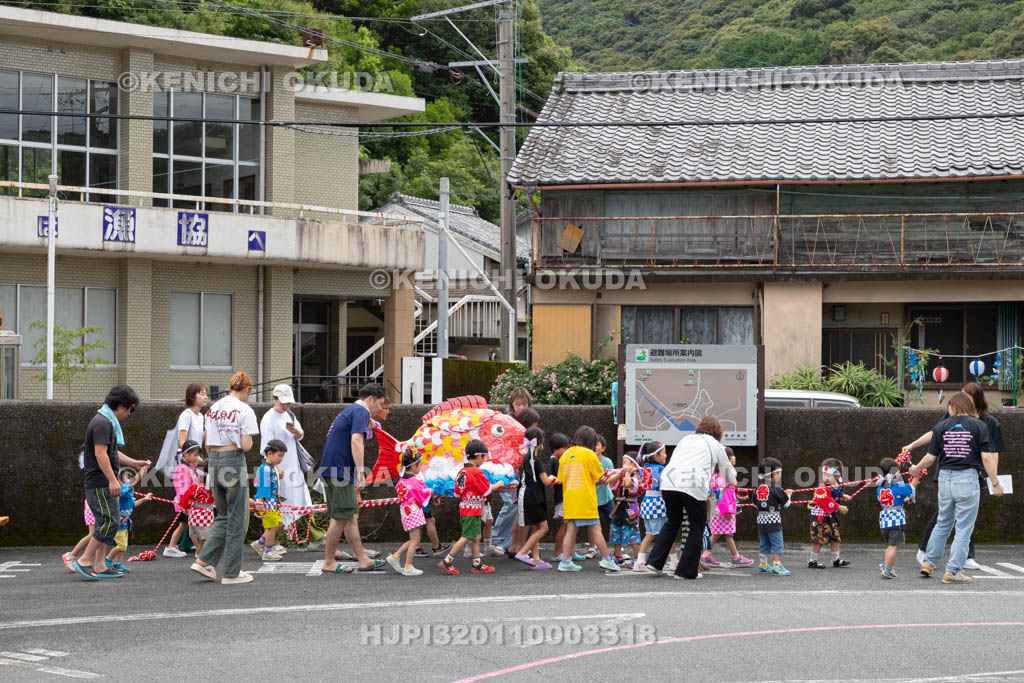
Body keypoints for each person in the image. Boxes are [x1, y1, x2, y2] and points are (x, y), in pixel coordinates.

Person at [905, 382, 1005, 570]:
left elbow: (930, 457)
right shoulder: (979, 426)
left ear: (954, 406)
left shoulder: (943, 426)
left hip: (945, 478)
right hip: (968, 478)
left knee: (943, 522)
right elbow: (987, 457)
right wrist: (995, 482)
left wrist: (916, 469)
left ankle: (928, 563)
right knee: (964, 527)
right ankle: (953, 570)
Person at [72, 385, 149, 581]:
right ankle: (84, 560)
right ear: (122, 406)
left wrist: (134, 462)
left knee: (105, 521)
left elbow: (112, 452)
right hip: (100, 483)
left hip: (101, 482)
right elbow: (100, 453)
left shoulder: (106, 422)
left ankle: (100, 565)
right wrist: (113, 481)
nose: (131, 414)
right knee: (110, 521)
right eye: (131, 409)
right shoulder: (103, 423)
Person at [190, 372, 259, 585]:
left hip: (214, 459)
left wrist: (214, 459)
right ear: (247, 389)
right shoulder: (244, 409)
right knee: (238, 517)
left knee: (223, 515)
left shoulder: (213, 409)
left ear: (230, 386)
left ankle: (204, 561)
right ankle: (231, 572)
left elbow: (206, 440)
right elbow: (246, 445)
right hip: (233, 459)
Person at [646, 417, 736, 580]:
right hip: (693, 484)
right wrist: (733, 480)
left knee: (673, 521)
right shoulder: (715, 445)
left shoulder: (686, 439)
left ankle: (654, 562)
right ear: (718, 432)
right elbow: (728, 472)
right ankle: (685, 572)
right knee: (697, 526)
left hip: (669, 481)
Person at [319, 383, 388, 574]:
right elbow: (356, 440)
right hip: (341, 470)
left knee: (348, 516)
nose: (380, 408)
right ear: (370, 399)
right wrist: (360, 473)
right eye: (380, 403)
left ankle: (363, 559)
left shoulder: (352, 411)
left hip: (333, 468)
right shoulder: (361, 411)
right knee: (341, 517)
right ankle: (329, 561)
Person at [556, 426, 621, 573]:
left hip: (569, 498)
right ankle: (606, 559)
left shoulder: (566, 455)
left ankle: (565, 561)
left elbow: (561, 479)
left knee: (571, 529)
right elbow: (600, 478)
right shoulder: (589, 455)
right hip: (585, 498)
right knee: (596, 528)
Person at [439, 440, 507, 575]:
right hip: (473, 509)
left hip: (465, 506)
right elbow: (486, 490)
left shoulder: (462, 472)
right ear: (479, 456)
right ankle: (447, 560)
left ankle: (477, 563)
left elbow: (457, 492)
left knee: (476, 536)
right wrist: (499, 484)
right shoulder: (476, 472)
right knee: (467, 536)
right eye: (484, 457)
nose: (484, 460)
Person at [259, 384, 312, 538]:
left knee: (300, 500)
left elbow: (300, 435)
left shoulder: (290, 415)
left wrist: (296, 432)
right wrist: (276, 467)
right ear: (274, 399)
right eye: (283, 402)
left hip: (293, 465)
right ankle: (267, 541)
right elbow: (266, 448)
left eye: (288, 402)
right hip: (280, 468)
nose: (286, 405)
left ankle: (310, 535)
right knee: (283, 506)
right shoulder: (268, 419)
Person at [492, 406, 540, 557]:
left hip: (518, 477)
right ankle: (500, 541)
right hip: (512, 476)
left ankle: (513, 545)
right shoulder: (517, 435)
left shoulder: (523, 436)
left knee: (517, 511)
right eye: (533, 425)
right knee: (514, 509)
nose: (534, 429)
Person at [166, 383, 207, 556]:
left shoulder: (201, 416)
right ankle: (187, 545)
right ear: (193, 396)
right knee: (188, 499)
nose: (205, 396)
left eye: (205, 394)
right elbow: (182, 440)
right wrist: (193, 456)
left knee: (197, 500)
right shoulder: (186, 415)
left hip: (195, 457)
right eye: (202, 394)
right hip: (187, 458)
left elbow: (203, 437)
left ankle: (191, 544)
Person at [704, 447, 754, 568]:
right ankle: (735, 557)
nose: (734, 458)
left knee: (718, 533)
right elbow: (723, 495)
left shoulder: (717, 475)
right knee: (728, 534)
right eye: (732, 455)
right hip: (724, 511)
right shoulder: (724, 476)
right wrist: (727, 511)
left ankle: (706, 554)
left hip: (718, 510)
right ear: (726, 459)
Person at [515, 427, 557, 569]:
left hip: (525, 496)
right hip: (534, 498)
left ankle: (537, 559)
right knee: (543, 528)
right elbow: (545, 481)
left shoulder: (525, 459)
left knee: (535, 528)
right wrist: (553, 478)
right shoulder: (536, 461)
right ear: (540, 442)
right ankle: (523, 552)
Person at [386, 450, 432, 576]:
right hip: (413, 510)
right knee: (415, 540)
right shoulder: (414, 480)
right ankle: (408, 566)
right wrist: (432, 491)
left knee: (413, 538)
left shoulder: (402, 480)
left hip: (406, 510)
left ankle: (395, 556)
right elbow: (423, 492)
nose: (421, 467)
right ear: (413, 466)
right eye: (420, 464)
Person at [877, 457, 920, 579]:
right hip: (896, 519)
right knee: (893, 546)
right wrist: (916, 476)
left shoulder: (880, 489)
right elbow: (911, 489)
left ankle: (886, 565)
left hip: (884, 520)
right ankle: (888, 569)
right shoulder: (899, 488)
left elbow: (896, 499)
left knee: (890, 545)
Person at [633, 441, 672, 572]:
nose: (666, 455)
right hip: (658, 503)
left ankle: (639, 562)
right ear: (656, 456)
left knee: (649, 534)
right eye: (664, 453)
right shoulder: (661, 469)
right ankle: (675, 561)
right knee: (667, 533)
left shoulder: (644, 468)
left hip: (646, 502)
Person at [106, 466, 153, 574]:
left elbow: (133, 505)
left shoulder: (129, 496)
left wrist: (144, 499)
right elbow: (132, 484)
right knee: (122, 545)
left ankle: (117, 564)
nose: (129, 480)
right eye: (127, 478)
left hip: (125, 524)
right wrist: (142, 472)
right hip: (118, 525)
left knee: (123, 546)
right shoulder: (121, 492)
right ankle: (107, 560)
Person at [753, 457, 793, 575]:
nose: (780, 475)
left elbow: (755, 504)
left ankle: (763, 564)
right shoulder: (777, 489)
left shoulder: (758, 488)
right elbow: (787, 504)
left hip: (761, 519)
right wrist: (789, 494)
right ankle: (777, 566)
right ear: (774, 474)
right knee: (777, 543)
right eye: (779, 473)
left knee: (764, 542)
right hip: (773, 519)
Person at [808, 458, 851, 569]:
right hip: (820, 517)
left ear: (838, 476)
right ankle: (813, 561)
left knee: (835, 538)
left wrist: (842, 496)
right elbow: (825, 500)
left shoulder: (836, 485)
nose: (826, 477)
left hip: (831, 516)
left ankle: (836, 560)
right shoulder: (821, 488)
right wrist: (839, 506)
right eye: (824, 474)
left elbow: (835, 494)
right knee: (818, 539)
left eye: (830, 475)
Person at [548, 433, 582, 564]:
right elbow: (561, 478)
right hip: (562, 497)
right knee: (565, 526)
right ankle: (557, 552)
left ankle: (570, 551)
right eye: (565, 448)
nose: (567, 451)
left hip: (565, 496)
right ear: (557, 448)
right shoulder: (556, 460)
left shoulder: (557, 459)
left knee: (571, 526)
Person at [175, 440, 213, 556]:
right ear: (185, 454)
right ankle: (174, 546)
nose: (197, 458)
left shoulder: (191, 466)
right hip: (186, 503)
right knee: (187, 526)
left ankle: (198, 548)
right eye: (195, 455)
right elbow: (182, 488)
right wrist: (185, 505)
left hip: (192, 504)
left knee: (190, 527)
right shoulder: (182, 468)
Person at [252, 440, 287, 562]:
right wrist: (260, 501)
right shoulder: (265, 469)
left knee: (278, 524)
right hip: (267, 501)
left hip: (273, 501)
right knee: (272, 526)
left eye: (282, 456)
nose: (281, 459)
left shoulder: (270, 468)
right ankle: (267, 552)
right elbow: (263, 486)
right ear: (270, 453)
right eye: (279, 456)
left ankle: (260, 543)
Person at [609, 454, 643, 566]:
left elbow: (628, 484)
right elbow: (610, 481)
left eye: (625, 462)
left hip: (631, 508)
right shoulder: (623, 475)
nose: (623, 465)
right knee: (615, 530)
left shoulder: (637, 476)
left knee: (632, 532)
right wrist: (620, 473)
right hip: (619, 506)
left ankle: (638, 558)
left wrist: (627, 473)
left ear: (633, 464)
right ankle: (618, 556)